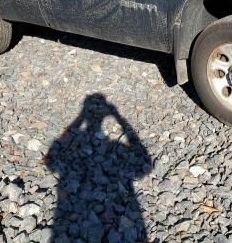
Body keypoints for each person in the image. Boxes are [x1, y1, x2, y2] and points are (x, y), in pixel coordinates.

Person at [46, 94, 152, 242]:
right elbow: (144, 167)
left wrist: (80, 118)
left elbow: (51, 162)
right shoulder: (116, 148)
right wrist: (119, 118)